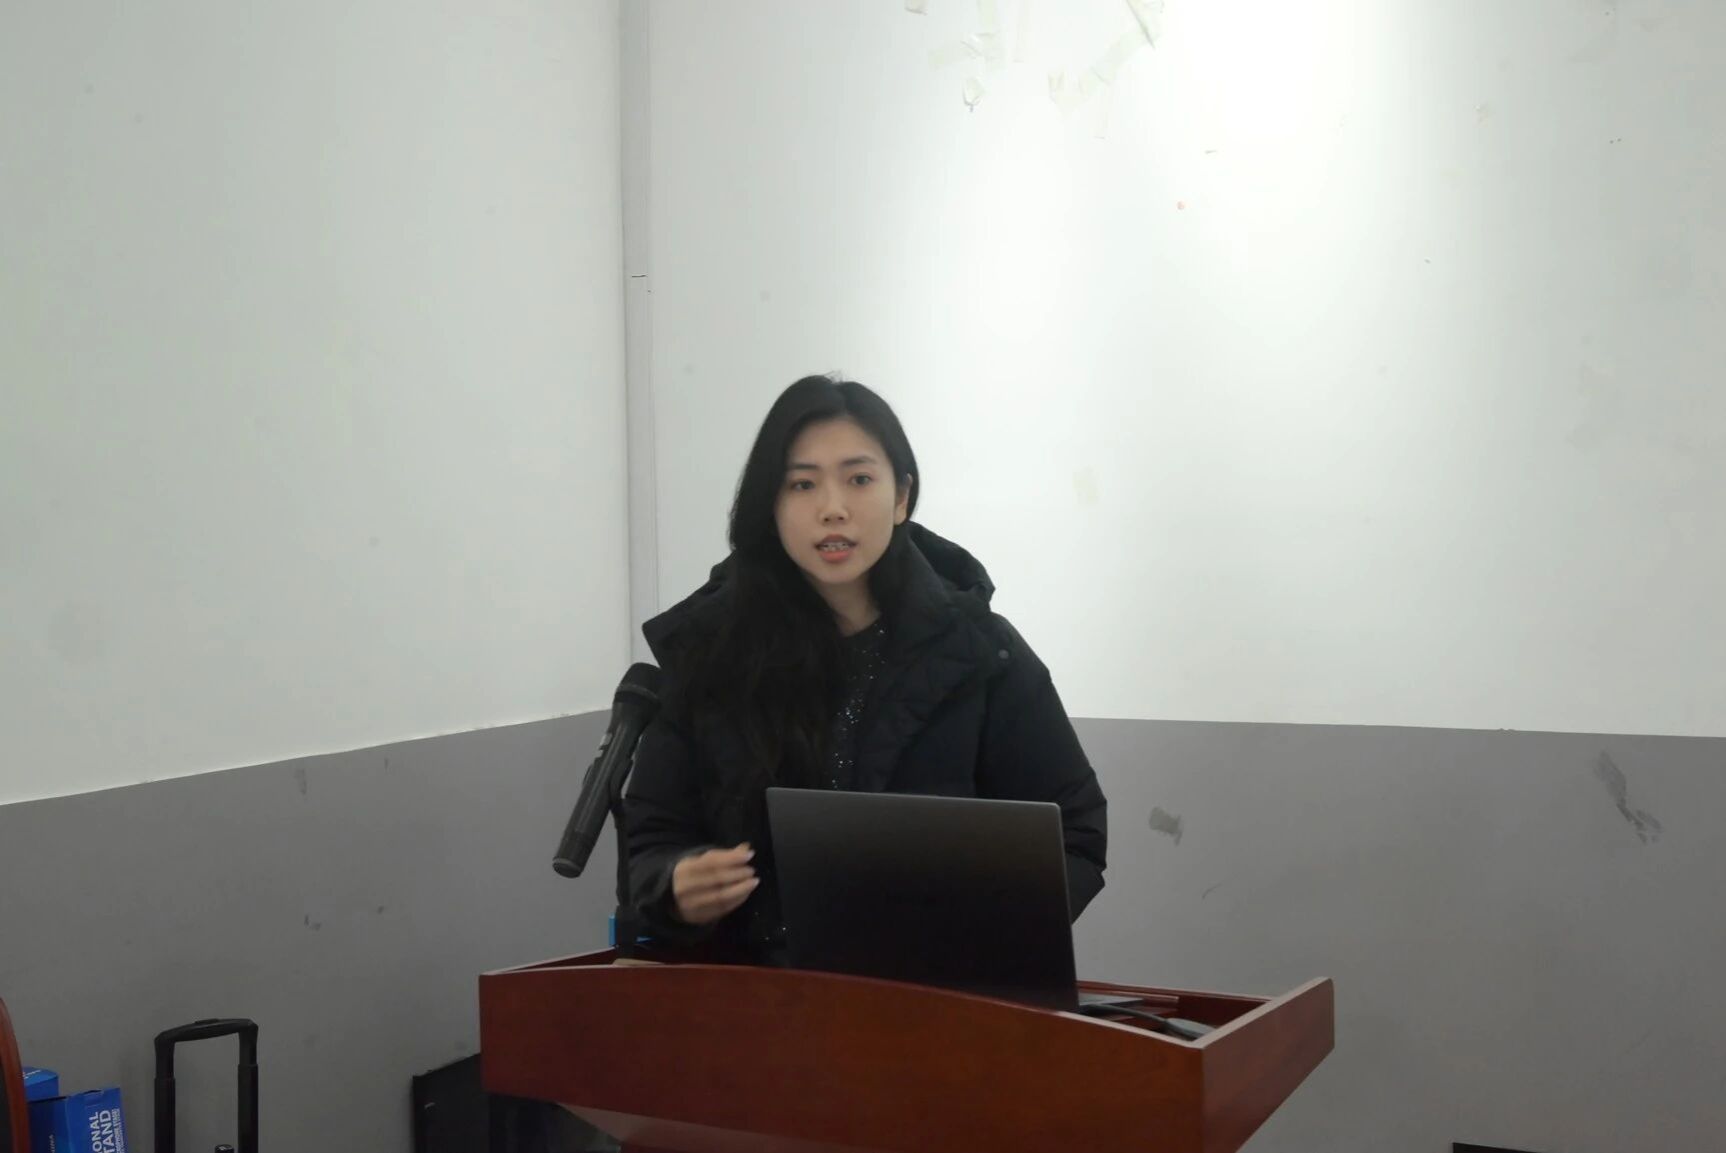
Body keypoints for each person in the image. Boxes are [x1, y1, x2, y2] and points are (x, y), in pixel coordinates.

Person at [623, 374, 1107, 963]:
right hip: (756, 998)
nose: (832, 509)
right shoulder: (712, 655)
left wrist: (981, 930)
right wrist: (675, 886)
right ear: (771, 505)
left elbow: (1075, 834)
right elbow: (653, 845)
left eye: (859, 479)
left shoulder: (982, 653)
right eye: (802, 484)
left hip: (936, 995)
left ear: (901, 497)